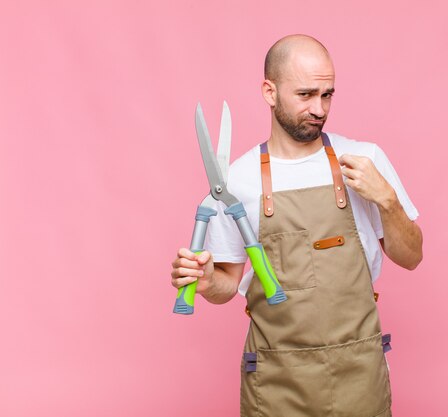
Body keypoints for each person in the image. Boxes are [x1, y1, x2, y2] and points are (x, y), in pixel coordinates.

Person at [171, 34, 423, 417]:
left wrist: (386, 199)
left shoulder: (364, 160)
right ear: (269, 92)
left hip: (359, 373)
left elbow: (412, 257)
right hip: (276, 382)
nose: (319, 109)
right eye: (305, 95)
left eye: (327, 95)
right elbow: (228, 284)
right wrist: (207, 282)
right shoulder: (238, 180)